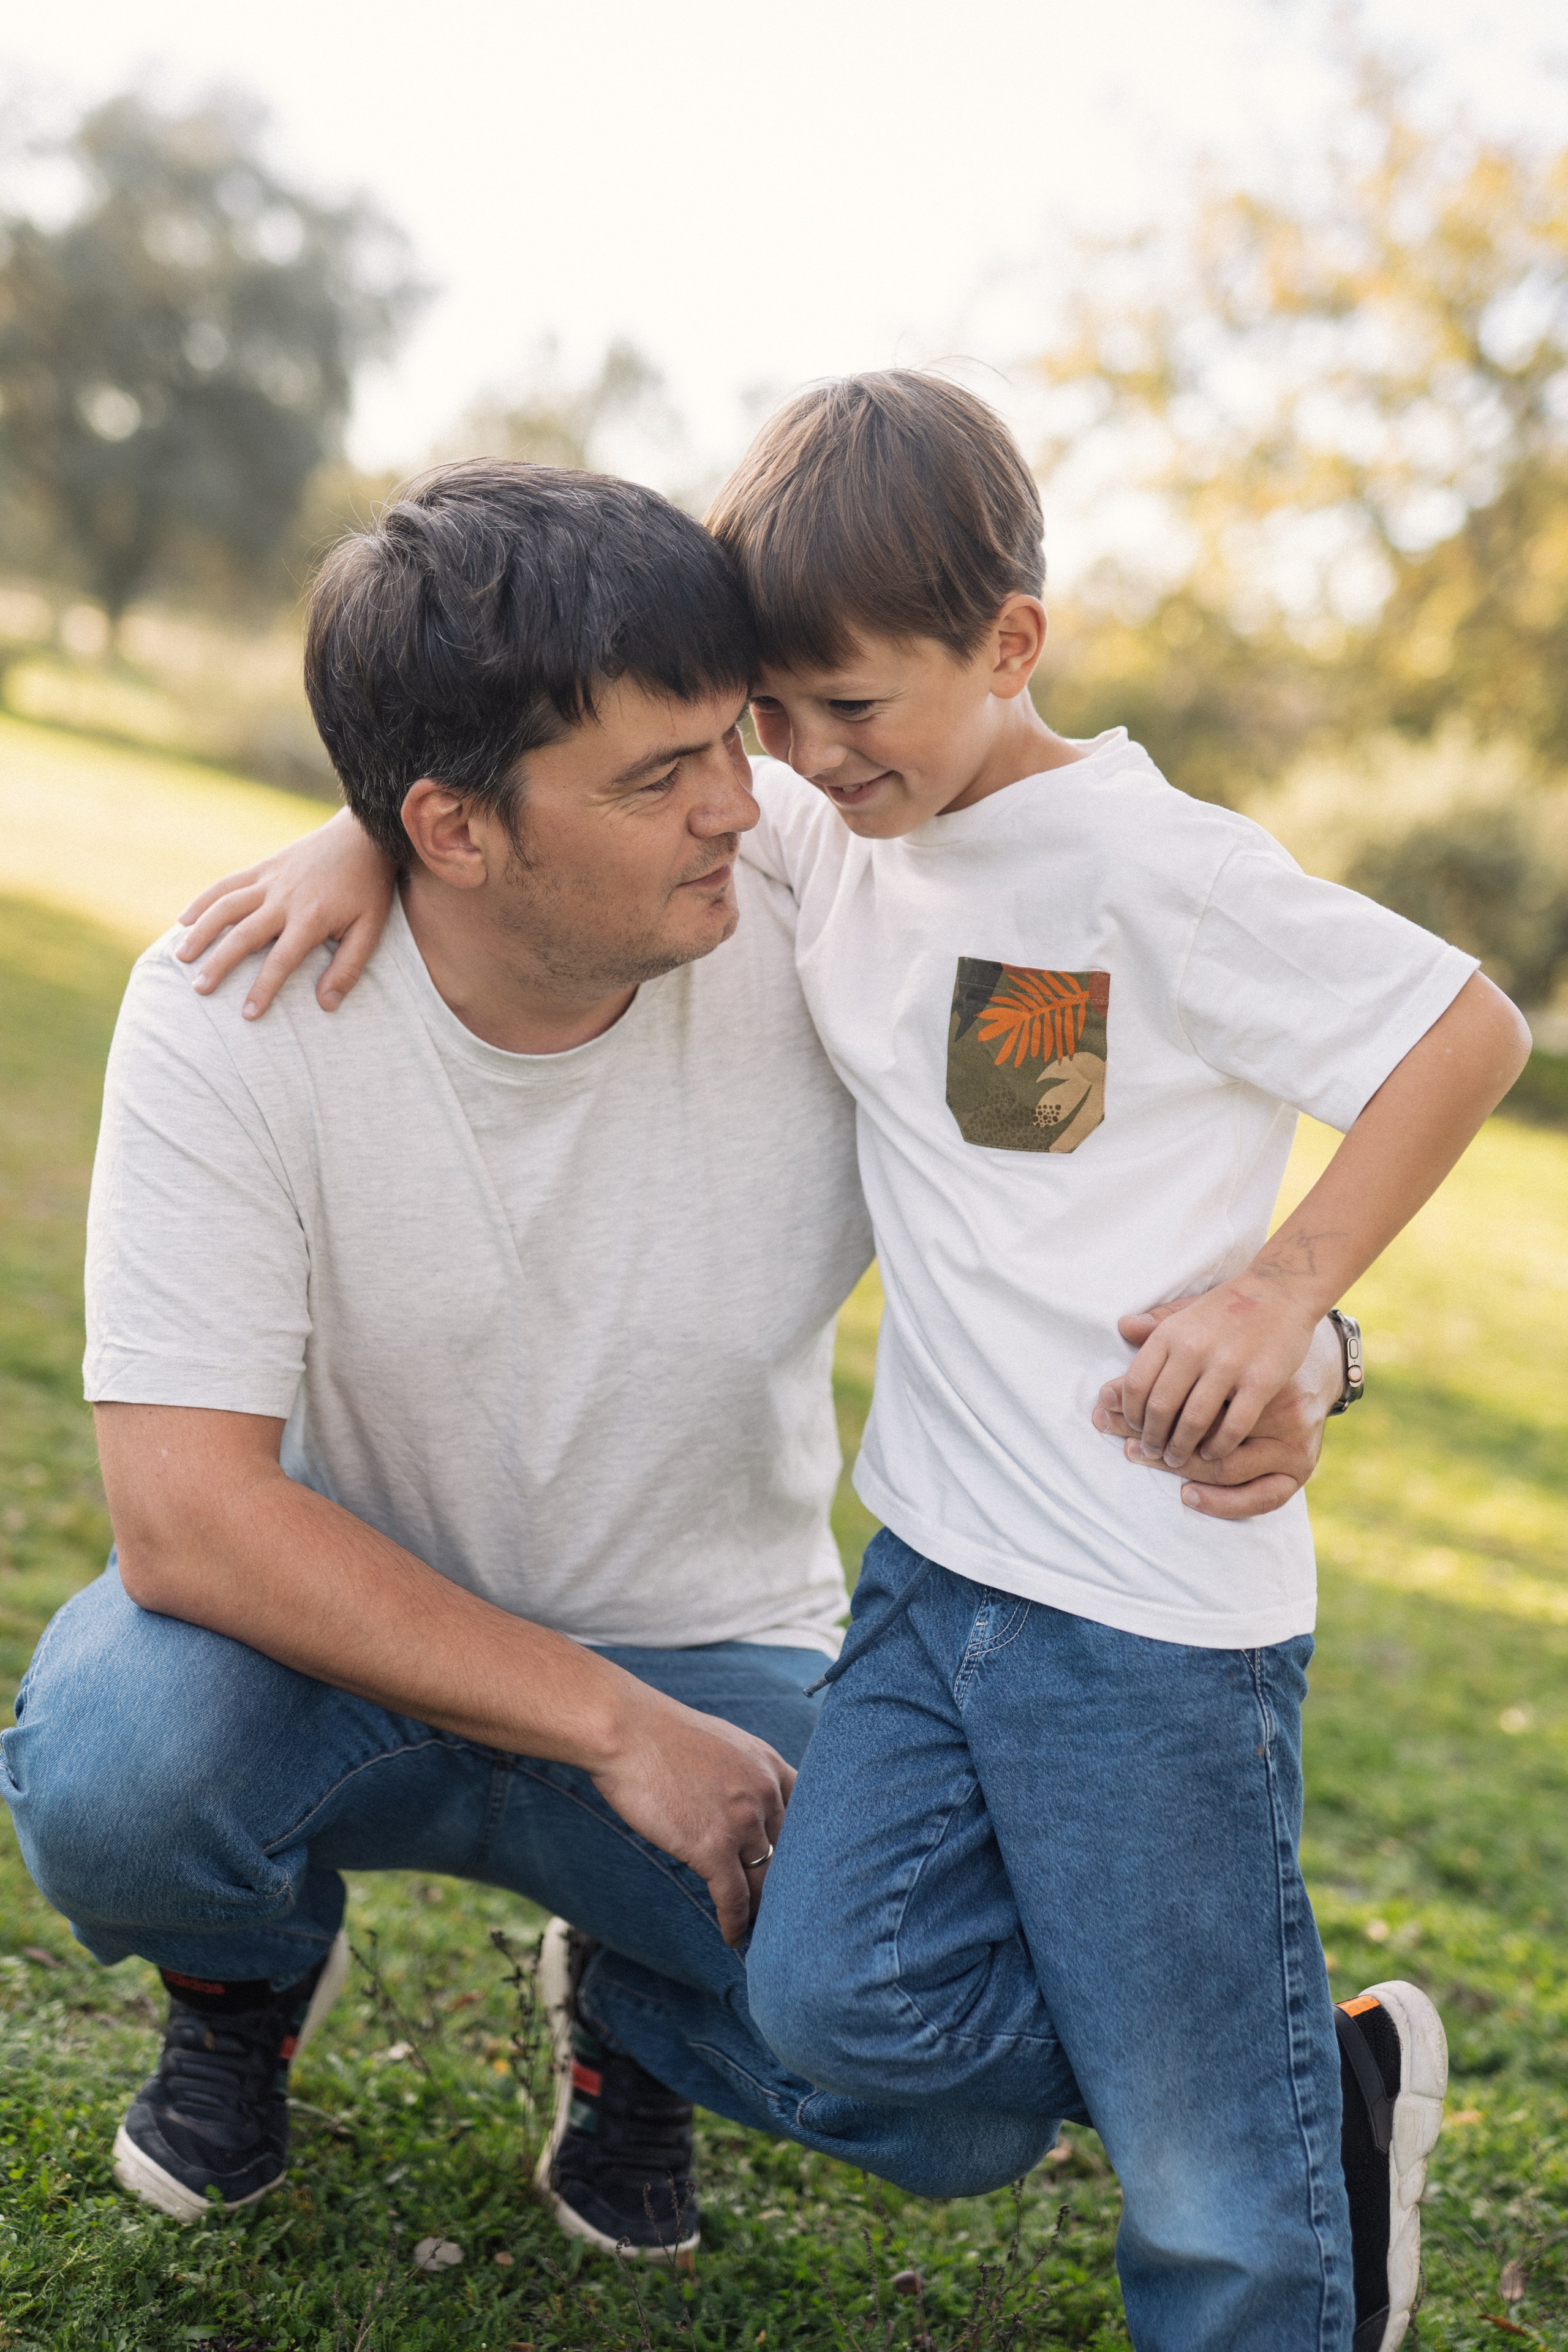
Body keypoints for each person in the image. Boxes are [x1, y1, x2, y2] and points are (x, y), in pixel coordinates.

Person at [0, 461, 1343, 2270]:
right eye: (663, 777)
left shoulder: (853, 910)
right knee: (116, 1764)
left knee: (949, 2088)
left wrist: (1308, 1345)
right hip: (327, 1651)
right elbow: (185, 1523)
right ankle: (237, 1987)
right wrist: (615, 1731)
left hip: (730, 1656)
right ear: (453, 833)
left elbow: (1104, 1195)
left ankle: (631, 2024)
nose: (745, 801)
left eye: (741, 739)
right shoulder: (232, 999)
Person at [702, 374, 1530, 2352]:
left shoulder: (1158, 868)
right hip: (926, 1577)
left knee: (1215, 2203)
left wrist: (1287, 1295)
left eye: (857, 707)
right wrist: (354, 838)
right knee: (830, 1996)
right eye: (776, 714)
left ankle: (1261, 2146)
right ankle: (1281, 2071)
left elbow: (1469, 1028)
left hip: (1152, 1622)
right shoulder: (842, 836)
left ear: (1011, 646)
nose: (810, 761)